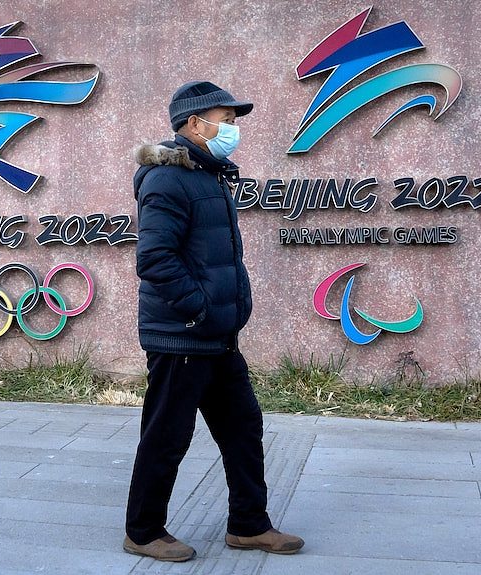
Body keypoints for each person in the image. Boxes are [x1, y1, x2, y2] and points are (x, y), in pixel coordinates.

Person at [124, 81, 304, 562]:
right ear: (194, 124)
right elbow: (155, 258)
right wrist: (199, 308)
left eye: (233, 119)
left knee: (244, 428)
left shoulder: (212, 176)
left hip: (219, 336)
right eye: (225, 119)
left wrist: (223, 315)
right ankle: (142, 530)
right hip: (182, 335)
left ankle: (249, 524)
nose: (232, 128)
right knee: (167, 435)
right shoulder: (168, 179)